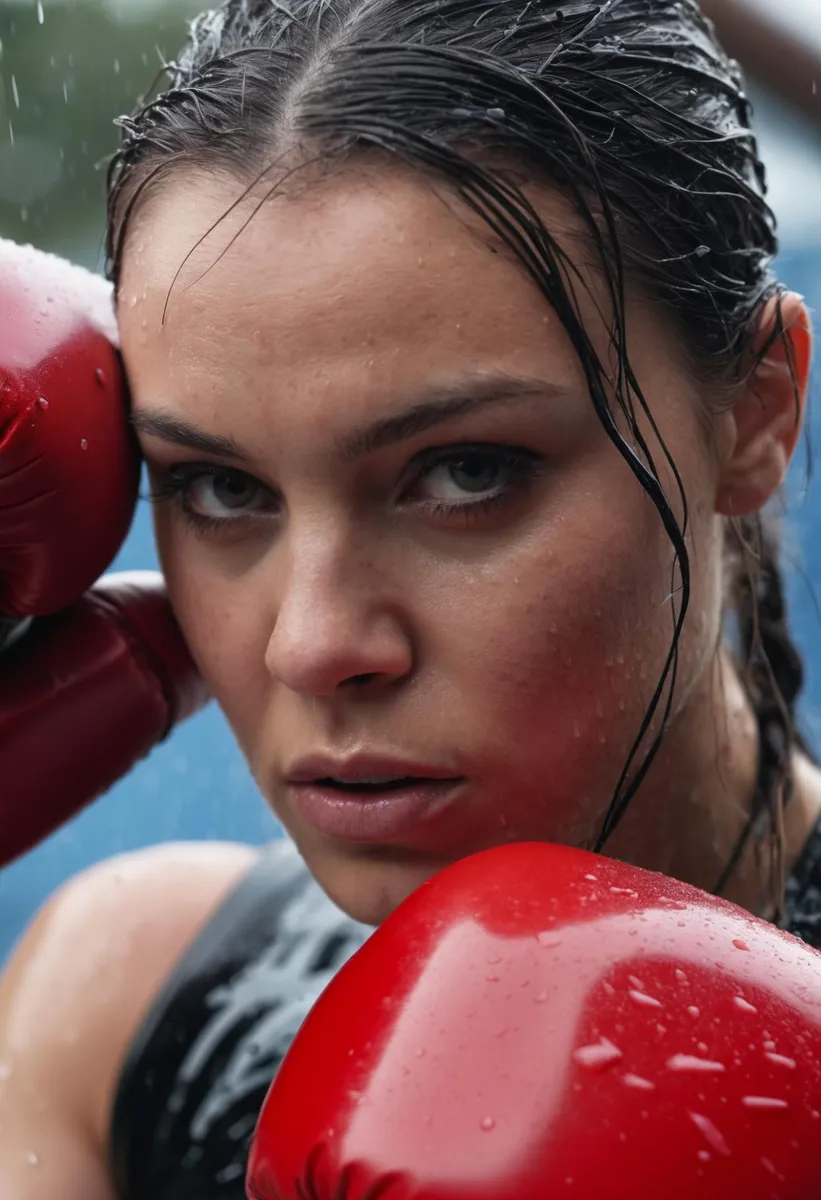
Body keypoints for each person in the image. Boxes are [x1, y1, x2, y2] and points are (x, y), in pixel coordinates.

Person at [2, 0, 821, 1194]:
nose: (314, 642)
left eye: (466, 473)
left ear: (754, 411)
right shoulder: (120, 996)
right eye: (219, 487)